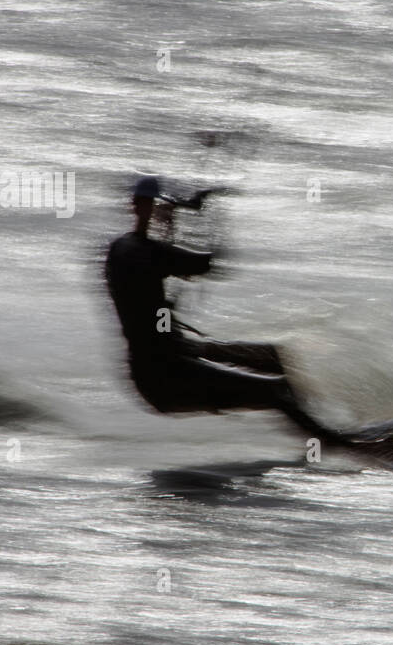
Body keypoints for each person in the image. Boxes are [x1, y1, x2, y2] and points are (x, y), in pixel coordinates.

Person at [104, 176, 345, 446]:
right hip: (166, 376)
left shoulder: (127, 249)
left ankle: (324, 424)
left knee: (270, 356)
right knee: (277, 392)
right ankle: (341, 445)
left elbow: (165, 269)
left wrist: (172, 225)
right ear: (138, 205)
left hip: (174, 356)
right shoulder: (135, 251)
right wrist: (208, 213)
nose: (162, 210)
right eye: (156, 205)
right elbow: (209, 263)